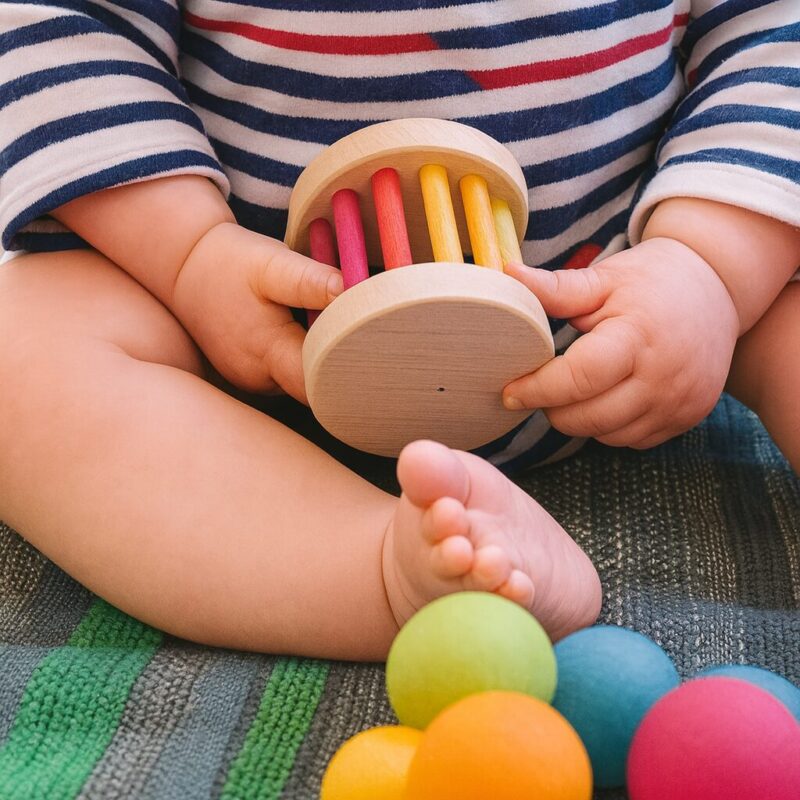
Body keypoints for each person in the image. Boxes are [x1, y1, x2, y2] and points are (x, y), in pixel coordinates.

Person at [0, 2, 797, 660]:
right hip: (237, 321)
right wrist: (185, 252)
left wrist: (712, 267)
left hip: (635, 290)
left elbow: (772, 31)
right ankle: (374, 571)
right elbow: (60, 33)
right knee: (25, 352)